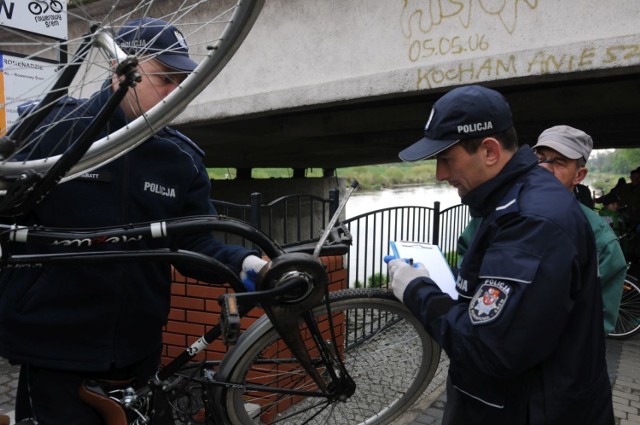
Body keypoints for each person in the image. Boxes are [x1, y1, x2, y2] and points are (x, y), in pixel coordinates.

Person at [0, 18, 267, 425]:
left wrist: (249, 266)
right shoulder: (53, 131)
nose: (176, 92)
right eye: (165, 77)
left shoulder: (180, 159)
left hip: (140, 350)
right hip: (55, 350)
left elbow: (195, 243)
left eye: (183, 80)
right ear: (119, 72)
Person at [388, 85, 614, 424]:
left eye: (446, 159)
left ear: (490, 151)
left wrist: (417, 290)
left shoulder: (531, 221)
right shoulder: (515, 201)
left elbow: (488, 348)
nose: (440, 174)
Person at [532, 125, 627, 335]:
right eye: (540, 158)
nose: (544, 168)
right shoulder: (500, 213)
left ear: (579, 176)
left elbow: (595, 322)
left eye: (558, 162)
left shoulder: (599, 239)